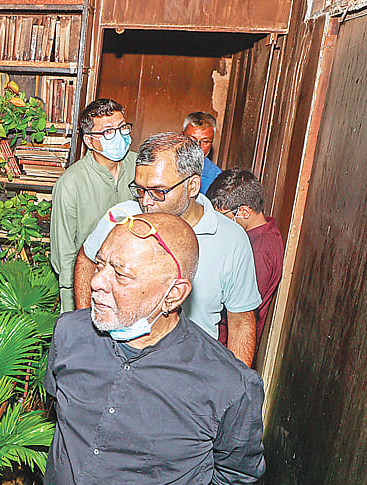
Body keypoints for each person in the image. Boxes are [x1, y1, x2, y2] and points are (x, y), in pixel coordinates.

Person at [26, 213, 266, 485]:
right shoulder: (70, 334)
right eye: (101, 264)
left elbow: (237, 469)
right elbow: (58, 407)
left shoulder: (227, 383)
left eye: (122, 274)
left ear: (174, 294)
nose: (98, 282)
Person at [73, 132, 261, 367]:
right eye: (140, 190)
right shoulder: (120, 217)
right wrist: (89, 329)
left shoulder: (232, 240)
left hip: (188, 375)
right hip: (116, 364)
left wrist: (235, 384)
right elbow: (86, 258)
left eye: (159, 191)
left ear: (192, 185)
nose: (147, 202)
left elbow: (242, 321)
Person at [50, 99, 137, 312]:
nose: (119, 136)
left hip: (133, 286)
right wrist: (76, 305)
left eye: (122, 127)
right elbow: (64, 253)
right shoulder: (71, 183)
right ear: (89, 140)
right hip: (88, 287)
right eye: (108, 132)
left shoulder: (141, 167)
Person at [207, 168, 285, 348]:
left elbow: (240, 314)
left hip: (228, 345)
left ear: (244, 211)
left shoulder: (258, 252)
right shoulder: (262, 232)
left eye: (223, 217)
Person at [183, 112, 221, 193]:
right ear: (182, 137)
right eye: (192, 140)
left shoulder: (217, 178)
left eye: (205, 141)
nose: (198, 146)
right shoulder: (164, 164)